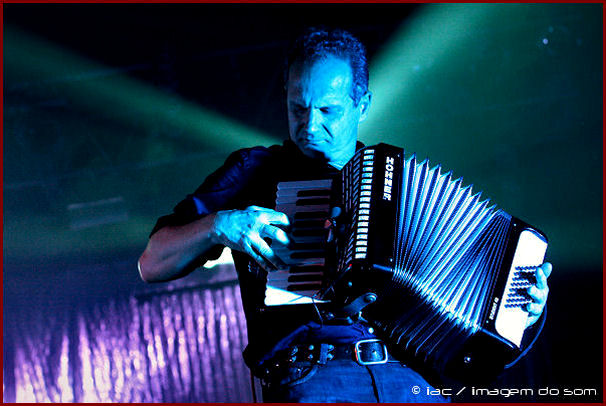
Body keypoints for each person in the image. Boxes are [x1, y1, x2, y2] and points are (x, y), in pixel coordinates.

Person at [138, 27, 552, 403]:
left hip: (414, 379)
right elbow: (151, 263)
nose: (309, 126)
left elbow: (473, 299)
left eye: (327, 111)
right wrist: (220, 225)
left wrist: (524, 309)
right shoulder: (256, 171)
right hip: (317, 376)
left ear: (362, 104)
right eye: (298, 108)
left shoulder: (399, 186)